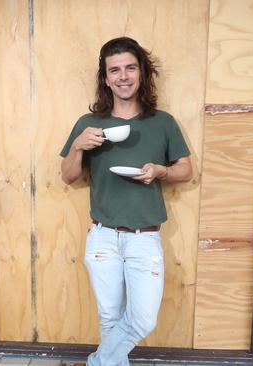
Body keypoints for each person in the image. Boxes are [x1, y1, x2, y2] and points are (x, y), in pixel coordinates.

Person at [59, 37, 192, 366]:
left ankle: (95, 363)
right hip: (102, 236)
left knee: (143, 319)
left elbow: (186, 170)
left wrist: (161, 171)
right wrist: (77, 146)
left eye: (130, 67)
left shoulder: (162, 122)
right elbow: (68, 176)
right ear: (105, 78)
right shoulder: (89, 124)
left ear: (142, 73)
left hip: (144, 238)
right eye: (114, 70)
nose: (123, 76)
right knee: (109, 320)